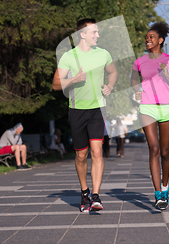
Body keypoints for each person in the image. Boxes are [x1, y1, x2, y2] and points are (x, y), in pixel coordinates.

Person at [52, 18, 117, 212]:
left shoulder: (104, 54)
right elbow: (56, 84)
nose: (98, 35)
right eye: (94, 32)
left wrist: (110, 86)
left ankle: (96, 196)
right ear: (82, 34)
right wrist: (73, 79)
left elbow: (112, 72)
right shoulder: (69, 57)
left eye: (97, 32)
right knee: (81, 155)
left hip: (98, 108)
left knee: (97, 151)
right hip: (77, 110)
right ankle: (84, 192)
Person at [131, 22, 169, 210]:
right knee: (153, 149)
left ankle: (165, 185)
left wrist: (166, 74)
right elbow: (133, 80)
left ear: (160, 40)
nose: (148, 39)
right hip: (147, 108)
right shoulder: (139, 62)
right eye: (146, 37)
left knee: (164, 151)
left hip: (167, 109)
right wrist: (136, 91)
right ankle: (158, 194)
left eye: (152, 37)